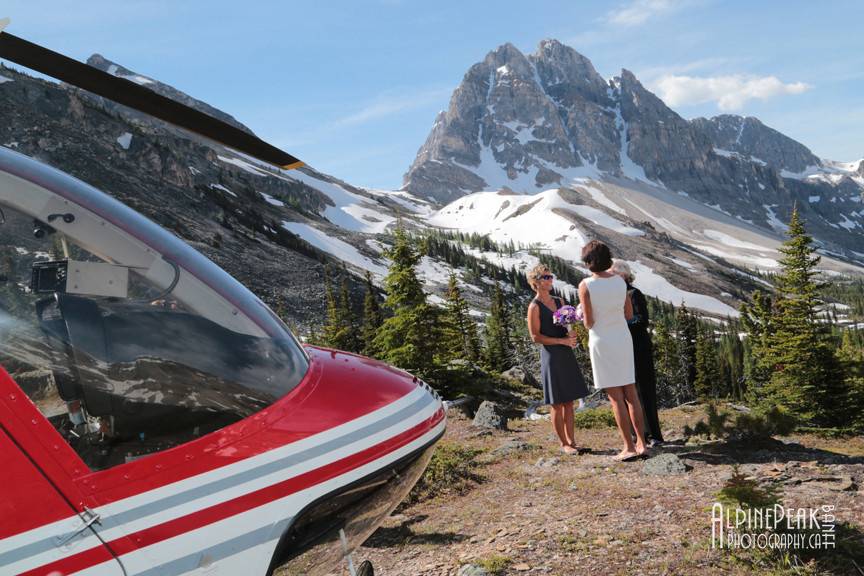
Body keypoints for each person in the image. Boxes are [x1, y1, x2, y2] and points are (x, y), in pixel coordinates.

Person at [578, 241, 648, 461]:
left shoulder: (586, 285)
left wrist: (581, 316)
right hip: (622, 338)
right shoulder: (620, 281)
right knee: (631, 393)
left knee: (616, 398)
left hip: (601, 340)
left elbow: (589, 322)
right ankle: (642, 444)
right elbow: (628, 315)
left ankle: (627, 447)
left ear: (589, 262)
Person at [526, 265, 589, 455]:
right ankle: (564, 444)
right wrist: (560, 340)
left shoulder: (559, 300)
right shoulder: (534, 307)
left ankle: (572, 441)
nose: (550, 279)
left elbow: (567, 324)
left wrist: (571, 335)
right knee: (557, 403)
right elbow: (535, 337)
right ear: (536, 282)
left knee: (569, 401)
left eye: (551, 276)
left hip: (566, 353)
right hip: (551, 356)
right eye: (546, 277)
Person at [610, 260, 664, 446]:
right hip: (621, 349)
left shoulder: (634, 294)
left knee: (644, 391)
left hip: (639, 348)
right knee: (628, 392)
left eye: (614, 274)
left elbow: (642, 320)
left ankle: (654, 435)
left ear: (624, 275)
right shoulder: (614, 295)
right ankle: (637, 434)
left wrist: (620, 324)